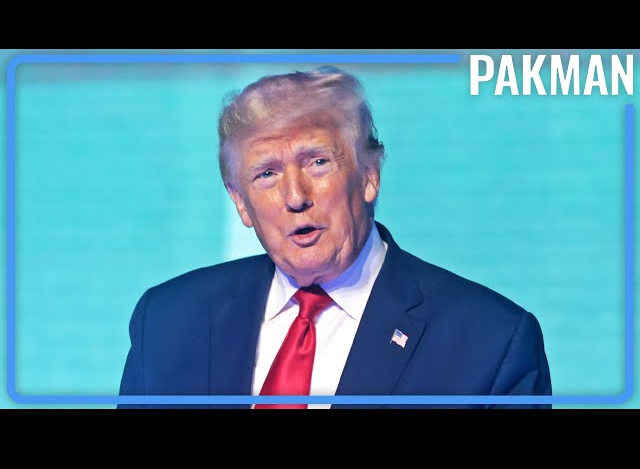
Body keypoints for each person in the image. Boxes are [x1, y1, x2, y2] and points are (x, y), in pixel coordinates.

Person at [118, 65, 552, 409]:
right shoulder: (168, 322)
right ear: (240, 203)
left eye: (318, 162)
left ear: (369, 175)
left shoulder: (491, 342)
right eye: (266, 174)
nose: (295, 196)